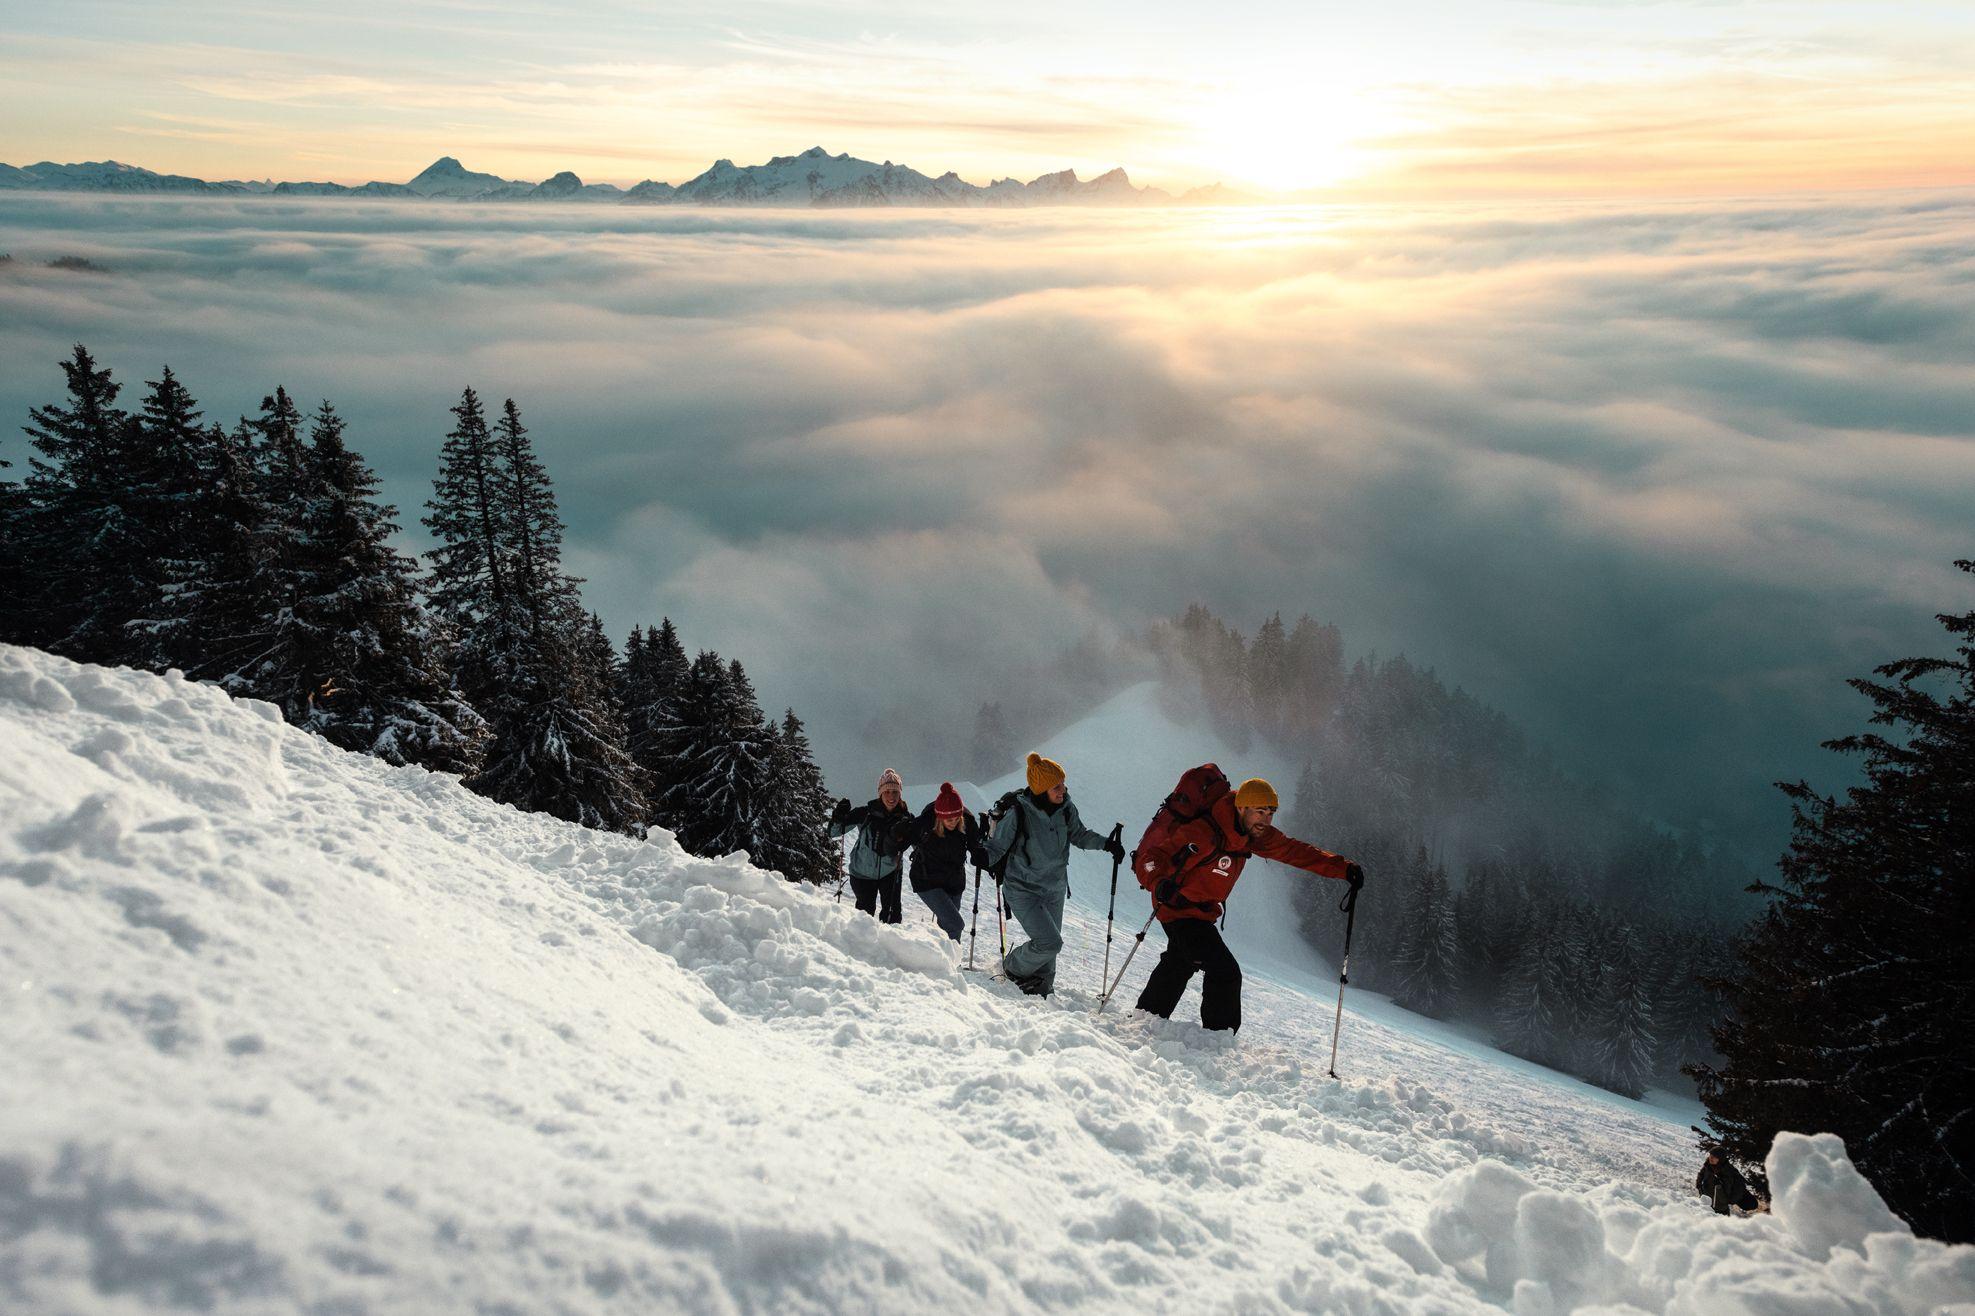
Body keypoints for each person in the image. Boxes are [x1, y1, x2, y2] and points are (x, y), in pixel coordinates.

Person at [1134, 777, 1360, 1033]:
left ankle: (1146, 1018)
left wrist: (1343, 869)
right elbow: (1152, 859)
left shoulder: (1251, 834)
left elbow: (1295, 851)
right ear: (1242, 808)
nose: (1266, 819)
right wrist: (1158, 881)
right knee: (1225, 972)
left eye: (1271, 812)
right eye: (1260, 811)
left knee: (1180, 962)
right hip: (1177, 908)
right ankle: (1218, 1038)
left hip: (1201, 912)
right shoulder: (1203, 832)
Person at [984, 752, 1124, 996]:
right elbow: (997, 846)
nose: (1063, 790)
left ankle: (1042, 990)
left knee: (1049, 954)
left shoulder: (1066, 809)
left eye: (1063, 784)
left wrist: (1106, 844)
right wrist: (982, 857)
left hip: (1054, 888)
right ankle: (1010, 967)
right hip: (1022, 888)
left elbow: (1079, 834)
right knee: (1050, 943)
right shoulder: (1020, 812)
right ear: (1041, 789)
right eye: (1056, 787)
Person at [893, 782, 990, 942]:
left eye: (955, 817)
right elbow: (901, 841)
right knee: (955, 924)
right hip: (926, 880)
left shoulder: (967, 822)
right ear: (939, 816)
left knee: (946, 925)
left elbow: (975, 850)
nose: (952, 821)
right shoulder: (926, 822)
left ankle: (939, 959)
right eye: (947, 818)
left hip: (954, 882)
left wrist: (986, 859)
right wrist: (898, 832)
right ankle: (952, 964)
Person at [830, 769, 912, 923]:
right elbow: (834, 832)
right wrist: (838, 817)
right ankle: (861, 945)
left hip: (891, 873)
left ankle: (889, 946)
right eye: (887, 791)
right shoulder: (866, 813)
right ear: (880, 793)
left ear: (900, 793)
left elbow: (919, 843)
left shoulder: (906, 819)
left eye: (895, 792)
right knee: (864, 916)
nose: (891, 797)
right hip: (862, 873)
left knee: (892, 917)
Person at [1696, 1151, 1763, 1215]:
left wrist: (1727, 1197)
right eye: (1710, 1155)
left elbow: (1733, 1189)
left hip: (1720, 1206)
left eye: (1714, 1156)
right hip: (1709, 1203)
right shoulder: (1708, 1166)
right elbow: (1701, 1174)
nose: (1711, 1158)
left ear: (1720, 1159)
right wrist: (1699, 1185)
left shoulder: (1728, 1171)